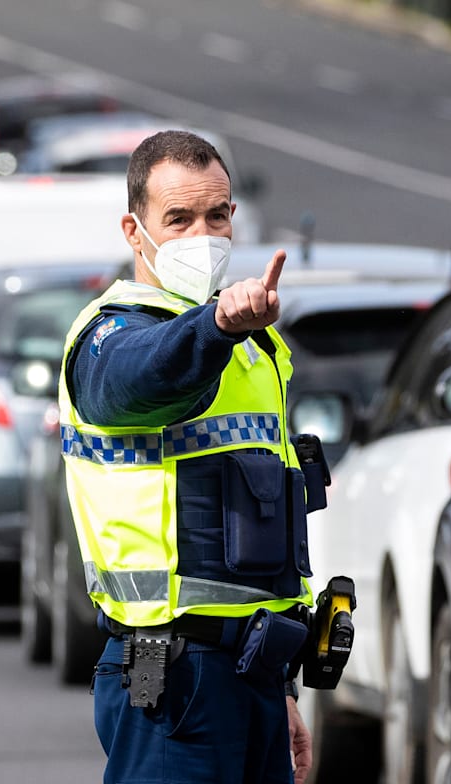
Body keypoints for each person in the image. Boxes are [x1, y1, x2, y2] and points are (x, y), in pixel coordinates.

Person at [58, 130, 319, 784]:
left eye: (218, 214)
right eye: (178, 219)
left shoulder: (255, 347)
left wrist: (281, 687)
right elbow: (147, 377)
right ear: (133, 228)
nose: (203, 233)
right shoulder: (109, 336)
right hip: (168, 676)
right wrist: (217, 329)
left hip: (253, 673)